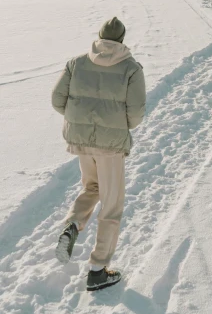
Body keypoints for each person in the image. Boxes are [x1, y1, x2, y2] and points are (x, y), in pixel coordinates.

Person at [52, 17, 146, 291]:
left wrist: (80, 121)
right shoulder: (131, 68)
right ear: (122, 39)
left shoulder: (77, 62)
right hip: (110, 145)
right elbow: (136, 113)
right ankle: (97, 270)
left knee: (91, 186)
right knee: (112, 204)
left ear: (99, 36)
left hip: (82, 141)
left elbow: (58, 99)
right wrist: (117, 125)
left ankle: (72, 226)